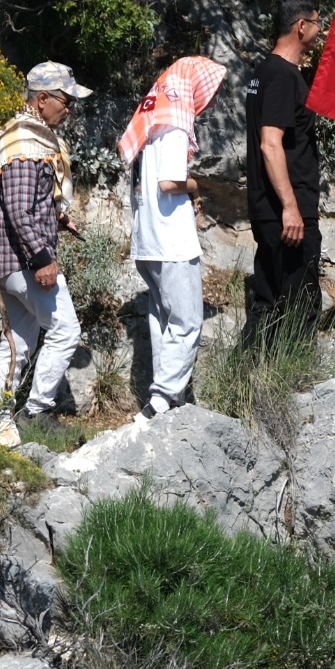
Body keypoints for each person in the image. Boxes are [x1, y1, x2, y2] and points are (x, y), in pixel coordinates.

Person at [0, 62, 93, 421]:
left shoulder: (30, 138)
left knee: (17, 340)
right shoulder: (25, 144)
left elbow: (29, 202)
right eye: (66, 100)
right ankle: (37, 411)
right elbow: (18, 210)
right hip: (24, 263)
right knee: (66, 330)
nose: (70, 108)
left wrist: (59, 219)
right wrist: (42, 259)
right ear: (42, 98)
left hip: (11, 262)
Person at [121, 55, 227, 415]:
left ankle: (167, 397)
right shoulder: (176, 126)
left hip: (148, 239)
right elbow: (170, 183)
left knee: (163, 320)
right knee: (187, 321)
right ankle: (163, 400)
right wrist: (197, 185)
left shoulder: (150, 125)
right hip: (172, 240)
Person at [245, 0, 327, 345]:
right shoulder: (281, 75)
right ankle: (293, 390)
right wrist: (291, 207)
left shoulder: (265, 72)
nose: (321, 32)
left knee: (268, 302)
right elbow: (270, 144)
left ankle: (245, 385)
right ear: (301, 26)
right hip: (287, 214)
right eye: (317, 23)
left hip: (270, 210)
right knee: (299, 306)